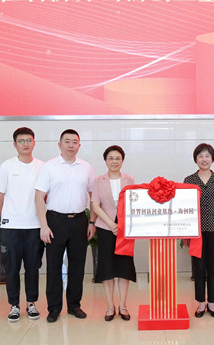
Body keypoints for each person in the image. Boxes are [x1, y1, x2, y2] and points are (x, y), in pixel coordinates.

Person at [35, 129, 95, 323]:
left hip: (79, 220)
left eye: (74, 142)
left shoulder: (86, 167)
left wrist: (92, 221)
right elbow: (39, 197)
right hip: (55, 221)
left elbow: (94, 197)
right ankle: (54, 308)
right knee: (53, 266)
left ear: (79, 145)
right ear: (59, 145)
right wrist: (44, 225)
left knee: (77, 265)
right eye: (67, 141)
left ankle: (74, 305)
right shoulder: (49, 167)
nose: (71, 145)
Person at [0, 127, 45, 322]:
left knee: (33, 267)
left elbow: (45, 195)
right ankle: (14, 305)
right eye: (21, 141)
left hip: (34, 226)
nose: (25, 144)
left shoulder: (42, 166)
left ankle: (31, 303)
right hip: (11, 227)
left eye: (29, 140)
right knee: (12, 268)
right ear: (15, 144)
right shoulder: (7, 166)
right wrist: (7, 215)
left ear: (34, 143)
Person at [91, 145, 136, 321]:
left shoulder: (130, 179)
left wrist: (122, 225)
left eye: (118, 158)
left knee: (124, 267)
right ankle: (110, 306)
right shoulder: (98, 180)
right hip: (105, 228)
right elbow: (95, 205)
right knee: (107, 267)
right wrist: (111, 224)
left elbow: (134, 203)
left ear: (122, 160)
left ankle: (123, 306)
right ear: (105, 160)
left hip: (125, 230)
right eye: (111, 158)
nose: (114, 161)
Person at [184, 143, 214, 318]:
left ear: (212, 158)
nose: (204, 159)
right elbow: (185, 207)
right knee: (199, 268)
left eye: (207, 156)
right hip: (196, 231)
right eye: (200, 156)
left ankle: (211, 302)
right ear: (196, 159)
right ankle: (201, 303)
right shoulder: (189, 180)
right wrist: (186, 232)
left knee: (212, 267)